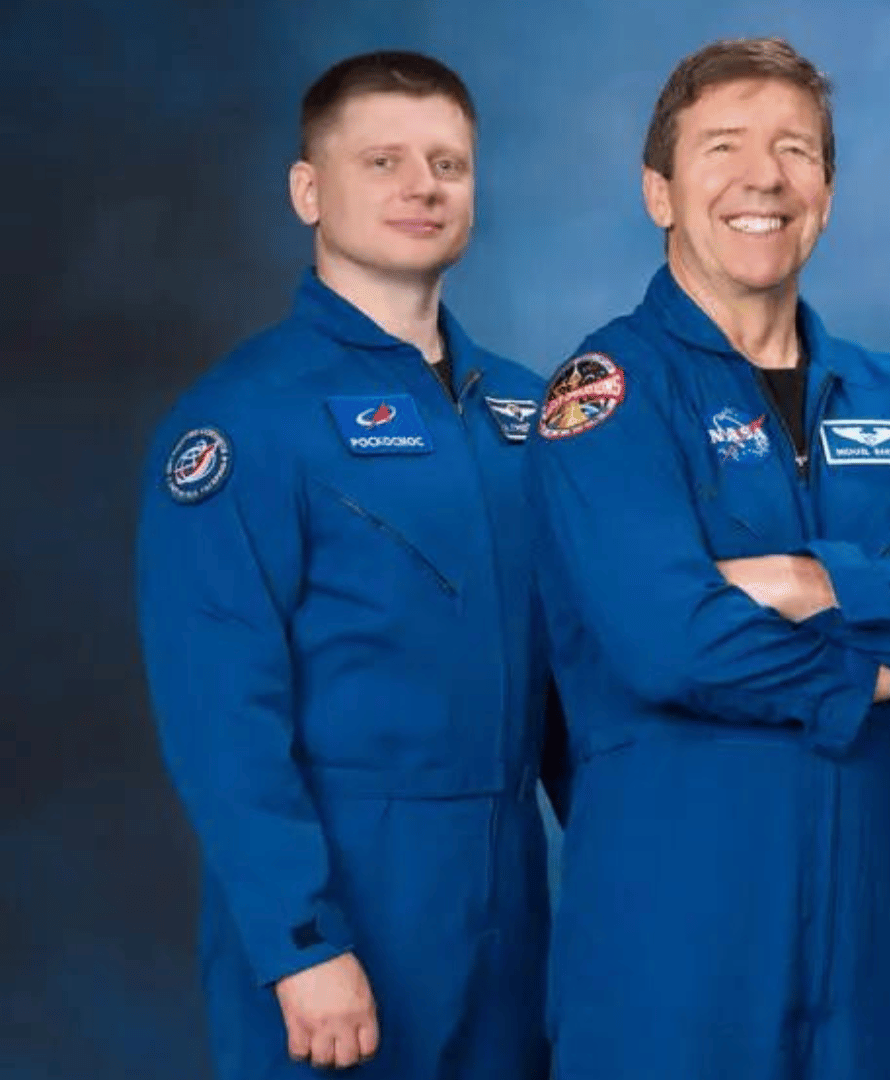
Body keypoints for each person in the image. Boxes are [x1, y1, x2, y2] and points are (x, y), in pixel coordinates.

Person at [526, 37, 890, 1080]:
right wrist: (889, 658)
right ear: (659, 192)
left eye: (795, 151)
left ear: (827, 191)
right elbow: (671, 640)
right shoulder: (605, 395)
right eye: (723, 147)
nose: (764, 177)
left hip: (870, 946)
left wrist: (812, 581)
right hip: (676, 942)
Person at [136, 51, 562, 1079]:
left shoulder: (529, 412)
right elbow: (219, 713)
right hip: (347, 880)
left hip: (514, 887)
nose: (423, 186)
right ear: (308, 189)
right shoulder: (243, 419)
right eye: (383, 160)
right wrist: (302, 941)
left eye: (448, 164)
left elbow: (581, 672)